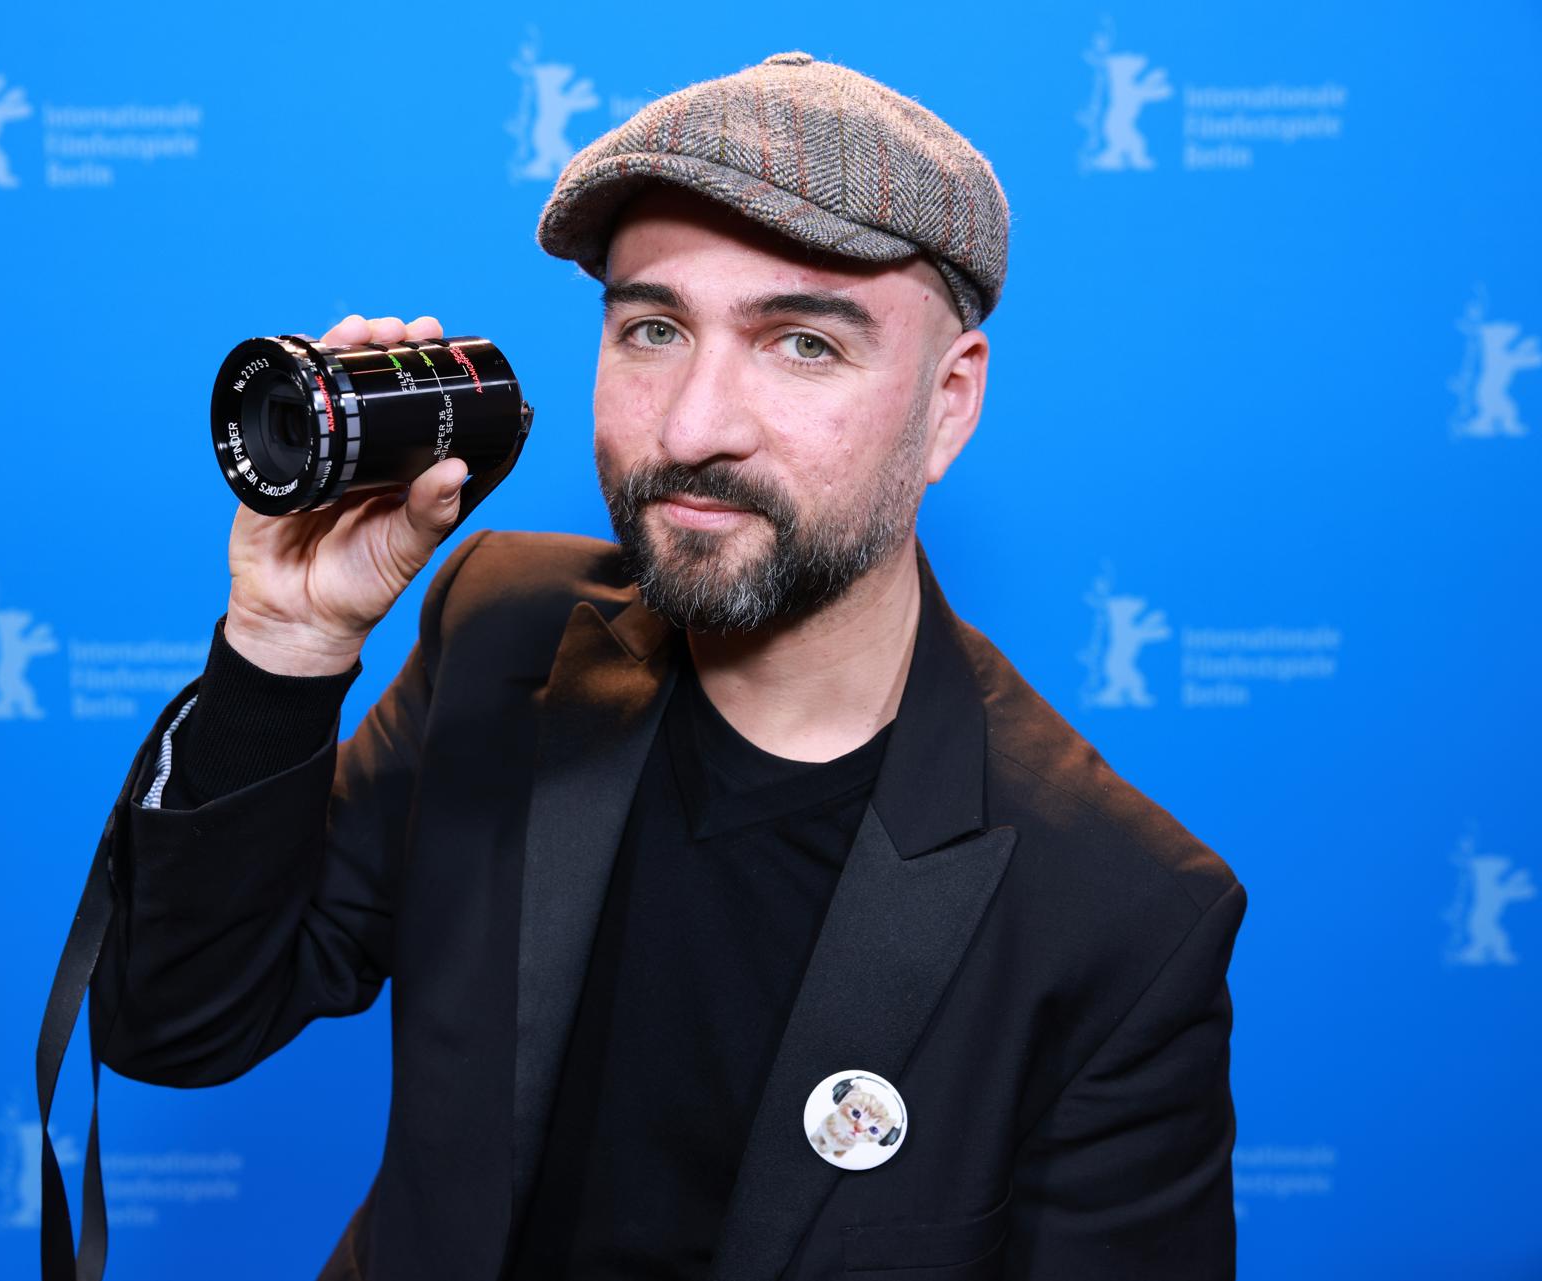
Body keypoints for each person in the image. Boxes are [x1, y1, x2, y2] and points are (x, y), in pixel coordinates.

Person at [83, 51, 1245, 1281]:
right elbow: (176, 1022)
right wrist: (286, 649)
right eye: (653, 329)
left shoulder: (1117, 910)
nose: (693, 426)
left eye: (803, 344)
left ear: (947, 405)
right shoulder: (501, 634)